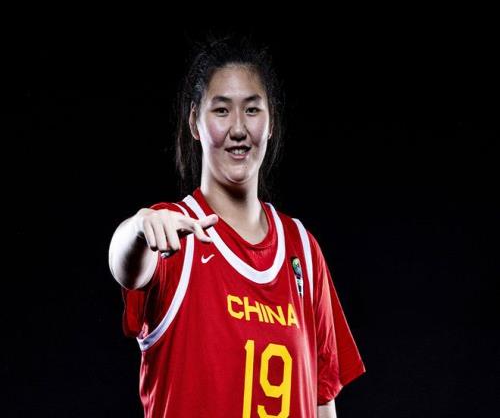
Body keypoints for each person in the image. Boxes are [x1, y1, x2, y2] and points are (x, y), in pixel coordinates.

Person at [108, 33, 366, 417]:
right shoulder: (173, 229)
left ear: (271, 122)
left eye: (252, 109)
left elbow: (322, 398)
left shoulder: (302, 249)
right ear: (194, 121)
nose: (239, 129)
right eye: (222, 110)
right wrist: (140, 226)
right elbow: (125, 265)